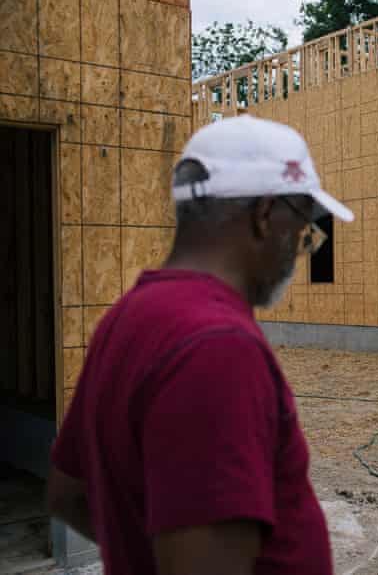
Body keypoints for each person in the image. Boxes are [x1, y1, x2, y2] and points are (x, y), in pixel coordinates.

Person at [47, 116, 353, 575]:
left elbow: (68, 494)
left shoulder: (129, 316)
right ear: (266, 214)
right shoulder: (220, 350)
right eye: (303, 227)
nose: (299, 248)